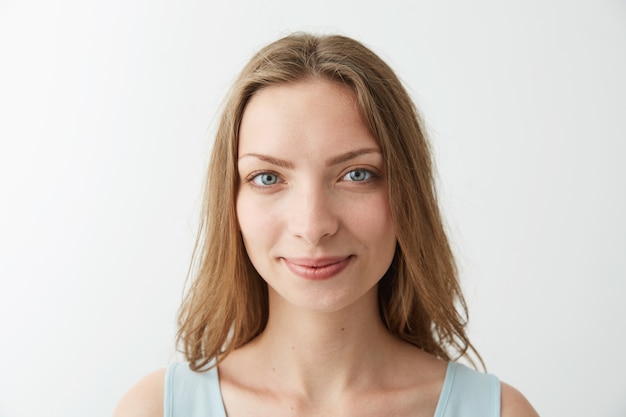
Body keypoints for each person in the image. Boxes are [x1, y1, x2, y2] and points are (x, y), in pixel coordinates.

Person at [114, 33, 539, 417]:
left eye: (356, 174)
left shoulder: (499, 412)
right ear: (231, 202)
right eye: (268, 178)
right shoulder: (154, 410)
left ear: (408, 194)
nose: (313, 226)